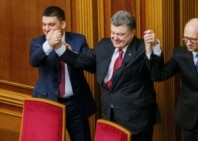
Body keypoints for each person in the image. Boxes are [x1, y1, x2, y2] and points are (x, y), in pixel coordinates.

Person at [53, 10, 161, 141]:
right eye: (113, 33)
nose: (115, 38)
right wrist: (59, 47)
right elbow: (79, 60)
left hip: (137, 120)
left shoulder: (142, 48)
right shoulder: (104, 45)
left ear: (132, 33)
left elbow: (156, 74)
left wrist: (153, 48)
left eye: (121, 34)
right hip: (110, 116)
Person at [29, 6, 97, 141]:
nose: (47, 29)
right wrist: (49, 44)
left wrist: (70, 53)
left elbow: (90, 65)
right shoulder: (38, 43)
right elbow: (33, 61)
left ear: (63, 24)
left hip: (75, 104)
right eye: (44, 24)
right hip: (48, 102)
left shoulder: (78, 40)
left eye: (51, 24)